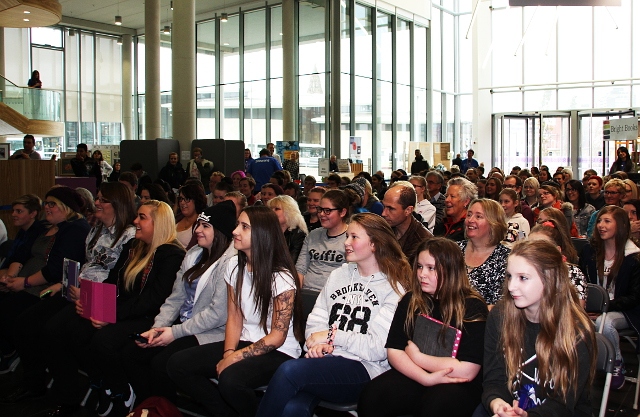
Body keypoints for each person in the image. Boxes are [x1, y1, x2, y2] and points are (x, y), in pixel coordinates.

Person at [256, 213, 411, 417]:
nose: (346, 242)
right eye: (347, 236)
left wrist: (331, 337)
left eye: (354, 237)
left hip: (364, 369)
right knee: (293, 408)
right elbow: (317, 317)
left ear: (374, 244)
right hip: (325, 359)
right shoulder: (339, 274)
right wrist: (317, 344)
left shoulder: (394, 287)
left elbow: (378, 349)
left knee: (289, 371)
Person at [44, 200, 185, 417]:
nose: (135, 221)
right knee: (73, 327)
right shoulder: (134, 247)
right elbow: (112, 282)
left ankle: (120, 391)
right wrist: (94, 306)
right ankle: (100, 381)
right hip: (126, 310)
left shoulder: (171, 254)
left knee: (104, 341)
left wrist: (111, 315)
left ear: (159, 223)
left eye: (142, 217)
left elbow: (154, 300)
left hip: (151, 317)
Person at [3, 183, 137, 404]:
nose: (98, 203)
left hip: (101, 296)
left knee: (54, 332)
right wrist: (64, 285)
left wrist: (81, 289)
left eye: (103, 200)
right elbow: (85, 264)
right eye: (98, 198)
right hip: (76, 288)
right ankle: (35, 384)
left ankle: (69, 395)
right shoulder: (96, 230)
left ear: (118, 204)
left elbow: (117, 277)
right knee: (27, 322)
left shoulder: (129, 235)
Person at [167, 206, 303, 417]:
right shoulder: (234, 266)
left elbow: (277, 336)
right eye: (238, 224)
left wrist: (234, 358)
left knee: (231, 380)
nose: (235, 231)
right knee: (178, 364)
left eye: (244, 227)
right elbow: (235, 318)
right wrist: (229, 352)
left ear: (262, 234)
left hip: (280, 352)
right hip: (245, 341)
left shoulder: (281, 276)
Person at [358, 237, 488, 417]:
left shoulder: (472, 307)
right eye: (419, 266)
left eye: (431, 268)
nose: (422, 274)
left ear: (451, 270)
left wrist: (417, 357)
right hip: (416, 374)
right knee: (374, 395)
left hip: (458, 382)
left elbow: (467, 370)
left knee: (436, 406)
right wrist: (425, 378)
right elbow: (394, 350)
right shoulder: (411, 300)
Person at [121, 201, 236, 403]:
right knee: (132, 354)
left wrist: (174, 333)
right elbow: (175, 299)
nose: (197, 230)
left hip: (210, 333)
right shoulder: (193, 255)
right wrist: (157, 328)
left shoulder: (231, 263)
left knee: (161, 364)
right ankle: (149, 407)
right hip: (183, 327)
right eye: (198, 225)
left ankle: (166, 410)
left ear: (220, 232)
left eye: (205, 226)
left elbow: (217, 315)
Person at [475, 239, 596, 417]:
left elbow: (563, 403)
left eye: (523, 278)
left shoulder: (577, 331)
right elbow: (494, 379)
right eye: (509, 276)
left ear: (550, 279)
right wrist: (498, 404)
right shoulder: (500, 316)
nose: (511, 286)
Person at [0, 186, 90, 375]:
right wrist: (11, 276)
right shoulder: (49, 226)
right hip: (30, 282)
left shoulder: (75, 229)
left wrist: (24, 282)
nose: (47, 207)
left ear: (66, 207)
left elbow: (58, 269)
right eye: (46, 203)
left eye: (52, 204)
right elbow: (22, 251)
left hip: (47, 287)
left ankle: (23, 368)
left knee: (21, 321)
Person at [579, 205, 640, 390]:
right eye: (599, 221)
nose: (600, 225)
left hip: (624, 311)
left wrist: (604, 308)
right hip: (593, 309)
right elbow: (582, 283)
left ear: (620, 225)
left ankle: (616, 362)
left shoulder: (633, 257)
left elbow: (634, 297)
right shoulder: (590, 252)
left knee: (605, 324)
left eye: (607, 221)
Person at [458, 198, 510, 306]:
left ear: (493, 223)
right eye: (469, 215)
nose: (470, 220)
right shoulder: (454, 249)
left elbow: (501, 307)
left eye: (478, 216)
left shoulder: (506, 259)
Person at [296, 189, 349, 291]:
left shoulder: (351, 238)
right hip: (307, 292)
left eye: (327, 211)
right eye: (320, 209)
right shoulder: (313, 235)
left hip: (334, 296)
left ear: (342, 212)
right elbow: (300, 269)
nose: (321, 214)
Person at [527, 220, 586, 308]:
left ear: (557, 251)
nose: (535, 251)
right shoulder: (523, 272)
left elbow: (576, 312)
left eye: (542, 247)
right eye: (530, 245)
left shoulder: (573, 273)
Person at [382, 181, 432, 263]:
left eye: (391, 208)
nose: (384, 213)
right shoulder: (385, 228)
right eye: (383, 206)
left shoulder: (422, 241)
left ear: (408, 210)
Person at [0, 195, 46, 272]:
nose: (13, 214)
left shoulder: (40, 232)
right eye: (13, 211)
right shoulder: (22, 231)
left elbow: (20, 259)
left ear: (33, 214)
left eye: (19, 211)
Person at [267, 195, 309, 263]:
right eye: (271, 209)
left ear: (289, 211)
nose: (272, 212)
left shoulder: (299, 235)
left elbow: (292, 262)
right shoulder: (267, 231)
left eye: (276, 209)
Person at [434, 177, 477, 241]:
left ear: (466, 201)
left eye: (452, 196)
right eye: (446, 196)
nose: (446, 200)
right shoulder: (442, 223)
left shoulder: (469, 227)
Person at [175, 182, 207, 250]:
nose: (182, 203)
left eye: (187, 199)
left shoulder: (203, 223)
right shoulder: (176, 218)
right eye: (181, 199)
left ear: (196, 200)